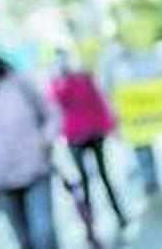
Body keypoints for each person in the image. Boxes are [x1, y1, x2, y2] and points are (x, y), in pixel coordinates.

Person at [0, 38, 59, 249]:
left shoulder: (19, 81)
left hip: (35, 170)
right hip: (0, 180)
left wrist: (44, 142)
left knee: (44, 236)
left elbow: (51, 113)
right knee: (24, 242)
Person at [48, 47, 128, 228]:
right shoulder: (57, 83)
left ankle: (119, 215)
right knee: (83, 181)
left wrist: (109, 126)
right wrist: (62, 79)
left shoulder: (83, 77)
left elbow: (98, 102)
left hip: (94, 133)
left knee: (105, 175)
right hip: (75, 137)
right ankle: (91, 225)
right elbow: (59, 102)